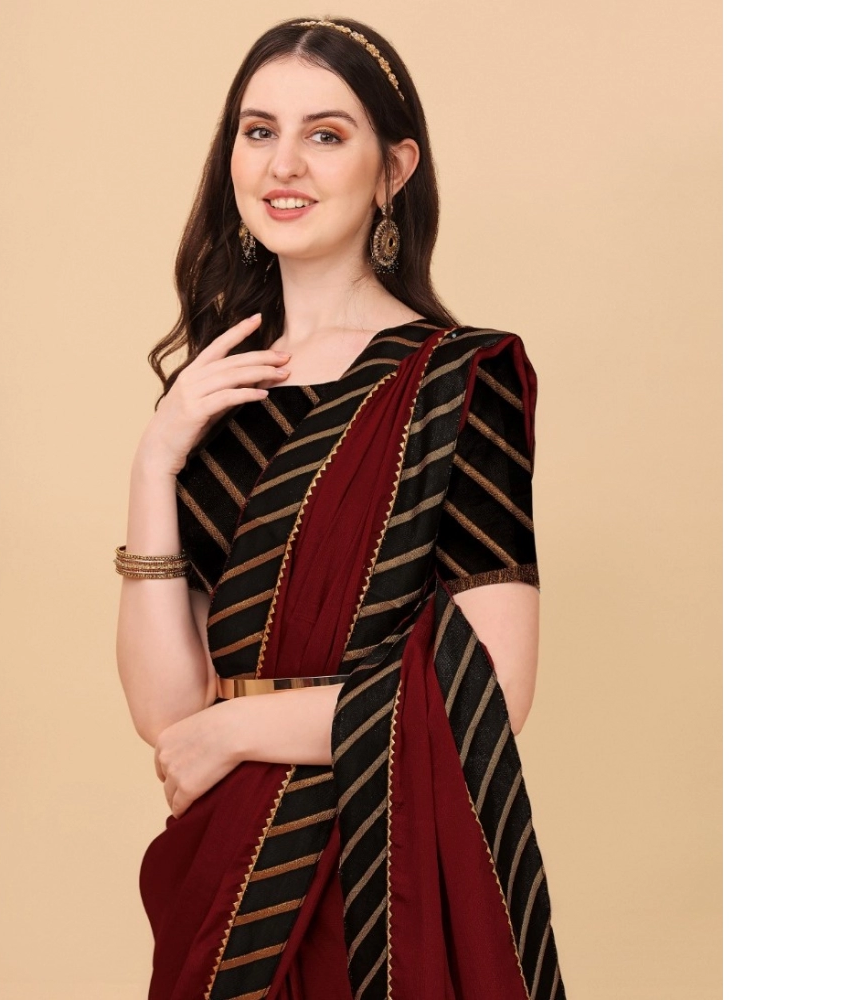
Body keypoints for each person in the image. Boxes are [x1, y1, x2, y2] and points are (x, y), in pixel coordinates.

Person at [115, 17, 567, 1000]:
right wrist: (155, 459)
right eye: (258, 131)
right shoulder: (213, 396)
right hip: (223, 876)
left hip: (378, 877)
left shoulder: (459, 383)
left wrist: (238, 731)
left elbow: (490, 694)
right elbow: (169, 717)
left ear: (393, 168)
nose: (283, 164)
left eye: (325, 134)